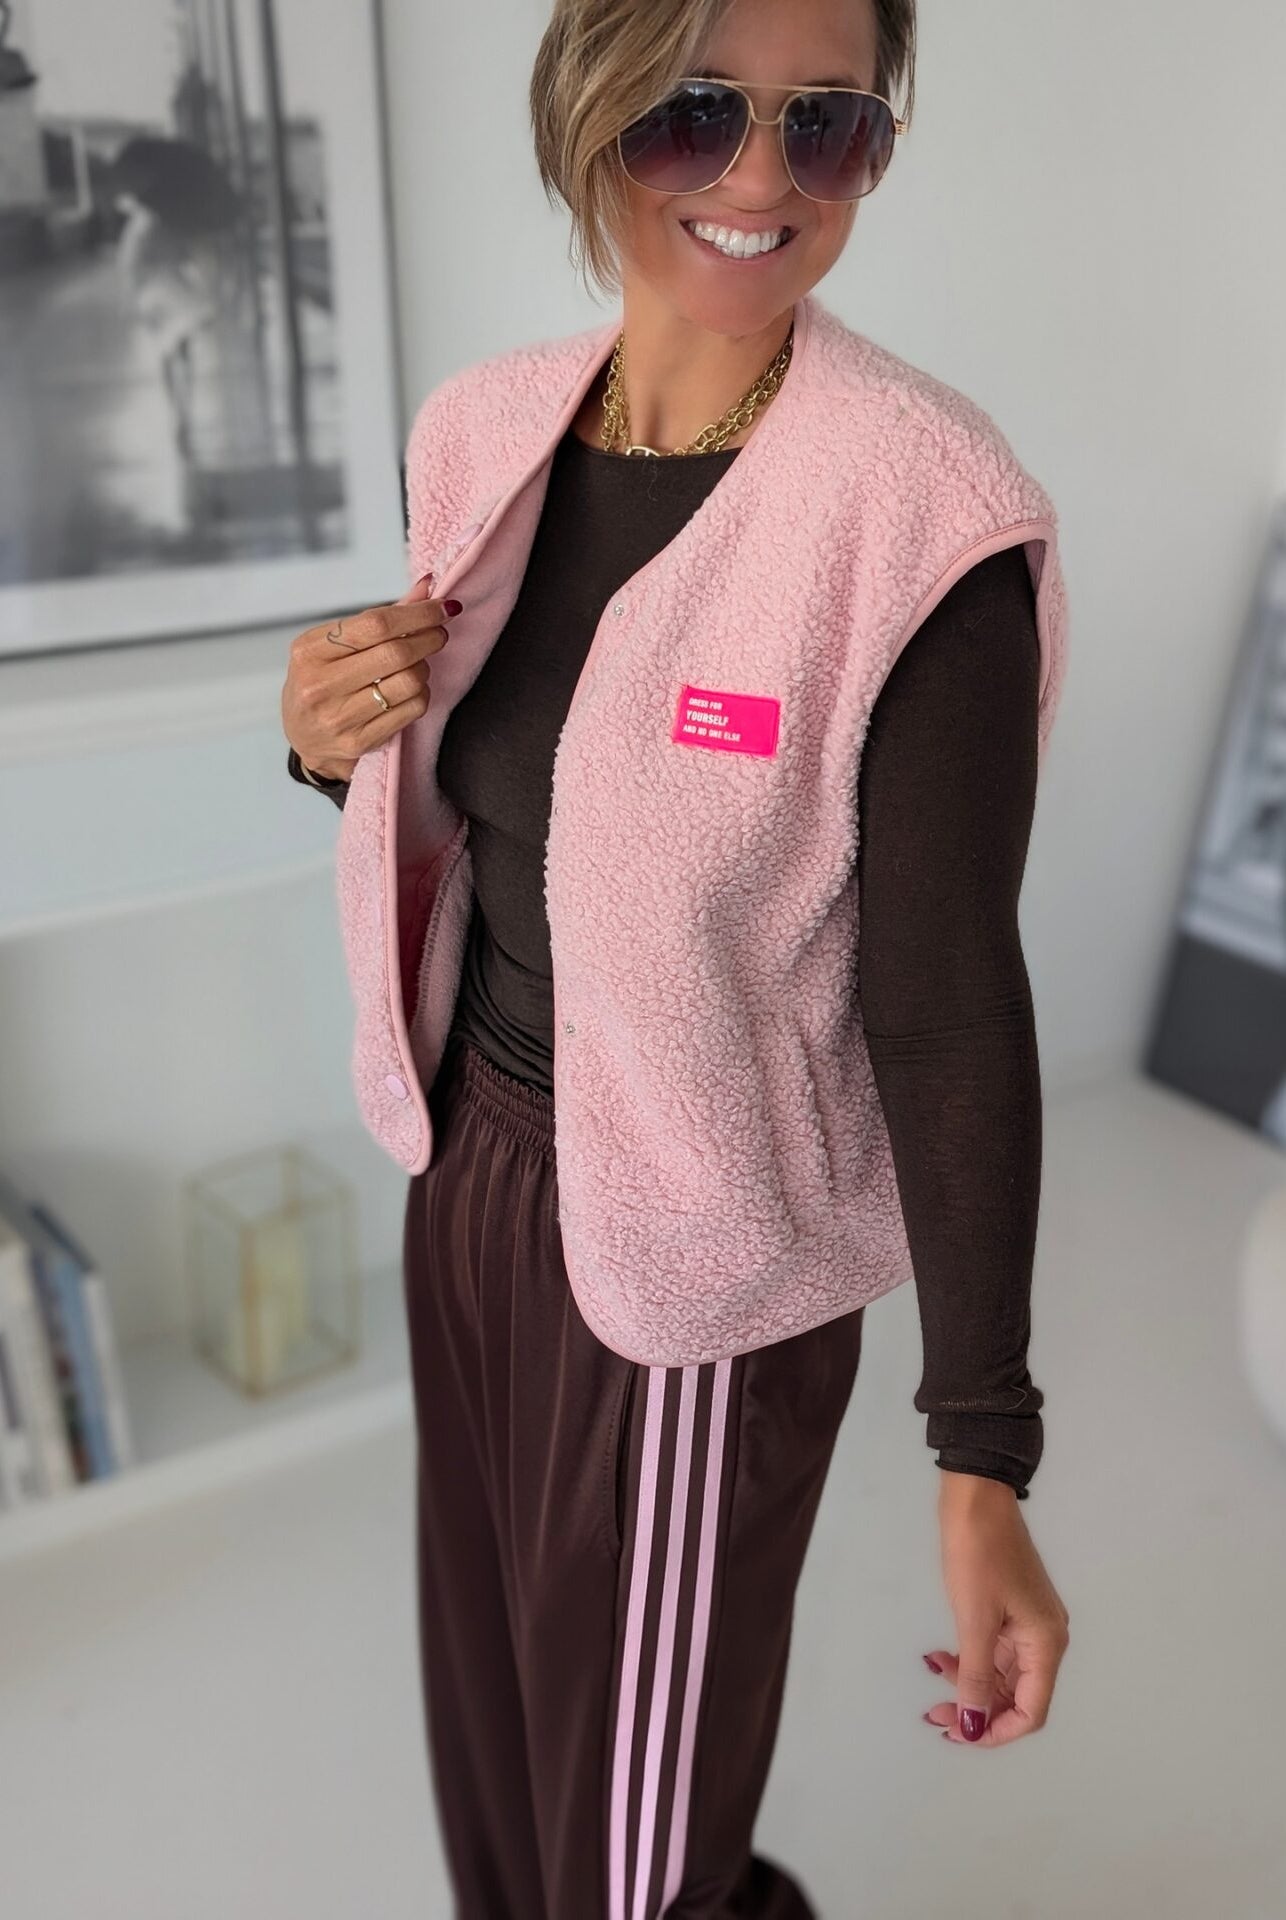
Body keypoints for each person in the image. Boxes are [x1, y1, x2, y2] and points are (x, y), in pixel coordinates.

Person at [281, 2, 1071, 1913]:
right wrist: (323, 743)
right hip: (470, 1173)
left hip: (702, 1268)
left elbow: (947, 1004)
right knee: (501, 1740)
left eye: (829, 125)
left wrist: (981, 1455)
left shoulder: (920, 513)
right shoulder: (482, 432)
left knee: (633, 1863)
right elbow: (498, 802)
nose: (758, 178)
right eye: (694, 114)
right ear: (590, 111)